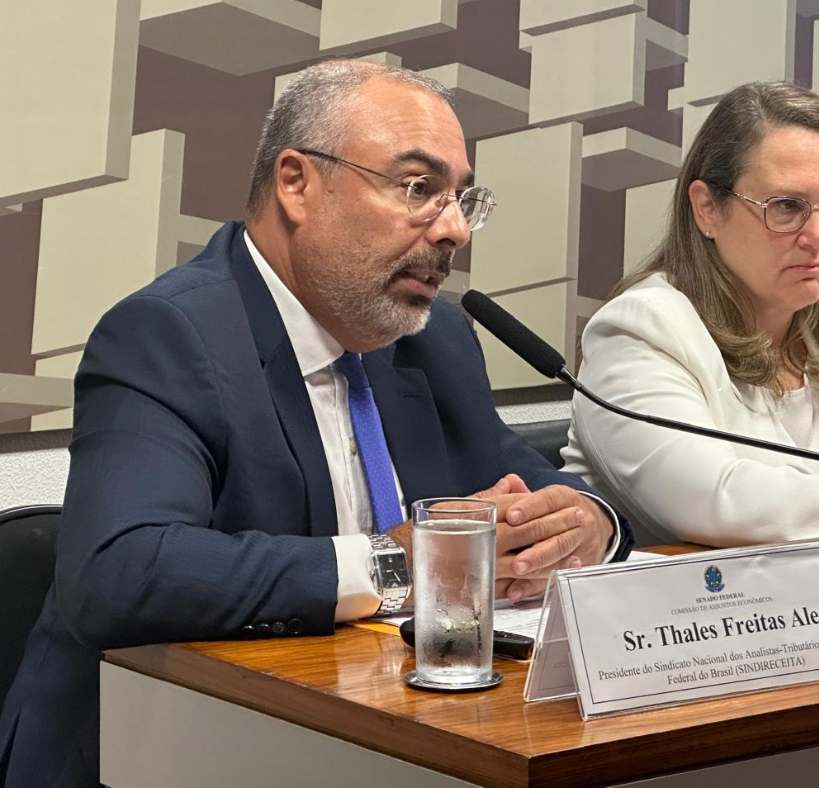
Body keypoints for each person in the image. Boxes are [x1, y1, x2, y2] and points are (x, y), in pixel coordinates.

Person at [0, 60, 632, 788]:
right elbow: (121, 572)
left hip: (386, 736)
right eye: (418, 188)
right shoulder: (168, 334)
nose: (454, 229)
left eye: (462, 198)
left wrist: (590, 523)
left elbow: (529, 481)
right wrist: (397, 565)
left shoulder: (435, 340)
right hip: (157, 751)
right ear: (297, 183)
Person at [562, 80, 819, 554]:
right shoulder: (639, 332)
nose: (817, 235)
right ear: (707, 209)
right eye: (786, 207)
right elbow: (718, 500)